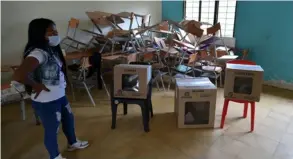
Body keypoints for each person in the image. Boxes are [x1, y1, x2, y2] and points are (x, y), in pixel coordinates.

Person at [13, 18, 89, 159]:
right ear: (39, 33)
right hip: (46, 101)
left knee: (68, 119)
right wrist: (36, 85)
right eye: (51, 31)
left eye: (55, 31)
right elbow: (19, 75)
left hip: (59, 96)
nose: (55, 34)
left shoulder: (50, 49)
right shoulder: (37, 53)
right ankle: (55, 156)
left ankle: (72, 143)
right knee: (52, 129)